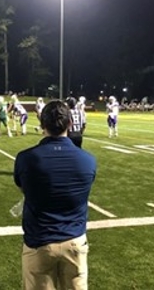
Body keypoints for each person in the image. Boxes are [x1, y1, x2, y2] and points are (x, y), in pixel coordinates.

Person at [13, 100, 96, 290]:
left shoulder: (26, 158)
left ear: (42, 124)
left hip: (39, 244)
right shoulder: (88, 160)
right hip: (75, 242)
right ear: (69, 124)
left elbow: (22, 187)